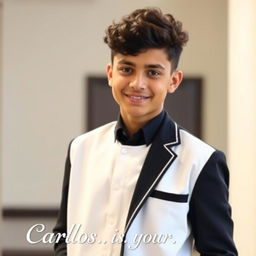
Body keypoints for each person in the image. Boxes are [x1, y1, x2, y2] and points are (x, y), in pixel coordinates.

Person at [53, 7, 238, 256]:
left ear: (173, 81)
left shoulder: (201, 160)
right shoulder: (81, 148)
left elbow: (219, 252)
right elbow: (64, 238)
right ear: (110, 74)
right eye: (126, 69)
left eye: (153, 72)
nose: (137, 84)